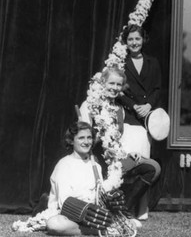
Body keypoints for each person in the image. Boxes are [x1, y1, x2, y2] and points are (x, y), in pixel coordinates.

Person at [80, 67, 161, 224]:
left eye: (119, 85)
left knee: (153, 168)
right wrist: (97, 136)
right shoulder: (89, 106)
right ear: (102, 82)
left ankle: (123, 212)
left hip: (116, 159)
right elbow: (82, 140)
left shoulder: (119, 109)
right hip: (94, 160)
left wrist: (130, 153)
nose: (115, 88)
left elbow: (117, 139)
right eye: (111, 83)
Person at [116, 24, 163, 220]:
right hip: (129, 119)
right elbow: (118, 92)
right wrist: (133, 106)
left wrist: (149, 105)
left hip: (147, 120)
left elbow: (158, 89)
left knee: (145, 161)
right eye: (130, 40)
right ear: (126, 42)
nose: (134, 43)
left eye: (137, 39)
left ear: (143, 40)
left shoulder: (153, 62)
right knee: (128, 163)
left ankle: (141, 209)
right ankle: (121, 207)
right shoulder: (121, 63)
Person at [45, 121, 116, 235]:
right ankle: (95, 231)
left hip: (93, 215)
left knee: (134, 223)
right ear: (72, 141)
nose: (86, 142)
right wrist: (91, 213)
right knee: (55, 224)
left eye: (89, 138)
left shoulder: (96, 166)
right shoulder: (63, 165)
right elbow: (65, 203)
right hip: (68, 215)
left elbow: (99, 196)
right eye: (81, 138)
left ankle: (97, 228)